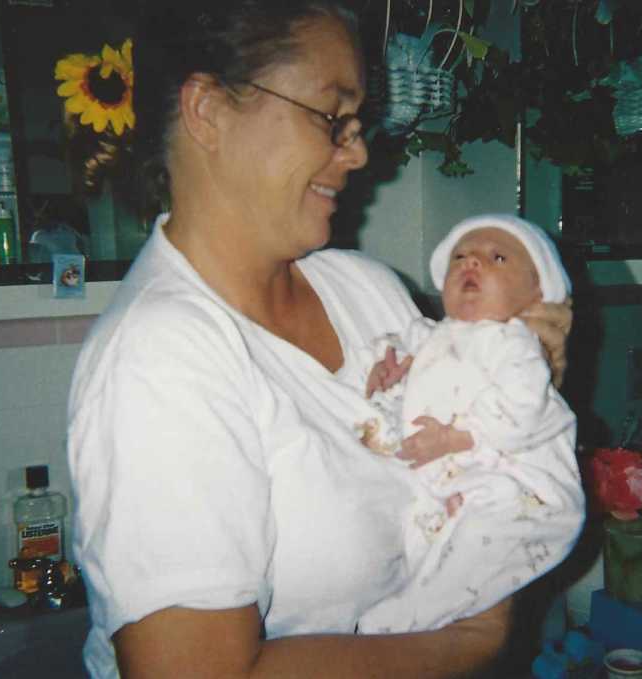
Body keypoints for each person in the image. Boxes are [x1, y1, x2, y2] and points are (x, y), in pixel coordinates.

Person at [67, 3, 575, 677]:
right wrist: (469, 638)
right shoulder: (162, 358)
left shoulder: (365, 290)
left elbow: (471, 455)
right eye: (332, 118)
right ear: (208, 111)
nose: (358, 151)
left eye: (358, 124)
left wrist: (528, 380)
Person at [346, 214, 584, 634]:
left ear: (536, 292)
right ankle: (413, 602)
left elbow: (522, 405)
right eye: (460, 256)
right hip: (450, 482)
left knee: (474, 550)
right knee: (425, 542)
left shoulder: (515, 344)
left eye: (496, 258)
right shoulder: (432, 334)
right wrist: (387, 367)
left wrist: (459, 436)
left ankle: (415, 614)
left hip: (515, 483)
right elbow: (399, 350)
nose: (471, 264)